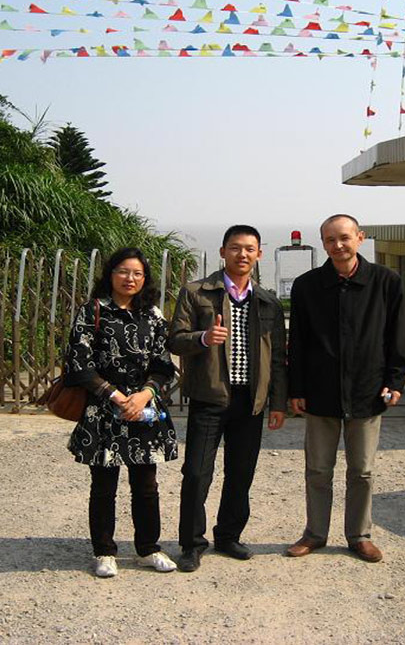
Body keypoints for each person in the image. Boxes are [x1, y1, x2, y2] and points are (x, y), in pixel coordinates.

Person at [285, 214, 405, 563]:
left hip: (367, 390)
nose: (338, 245)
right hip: (320, 391)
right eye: (330, 239)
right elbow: (298, 341)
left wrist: (395, 380)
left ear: (360, 237)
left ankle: (359, 535)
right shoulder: (307, 286)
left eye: (344, 237)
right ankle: (315, 533)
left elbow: (398, 335)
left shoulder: (386, 281)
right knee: (318, 469)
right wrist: (296, 388)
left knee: (362, 470)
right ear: (323, 243)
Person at [169, 225, 287, 573]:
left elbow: (278, 358)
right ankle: (192, 544)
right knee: (196, 474)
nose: (242, 254)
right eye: (235, 248)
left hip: (250, 401)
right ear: (223, 252)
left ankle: (228, 536)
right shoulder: (196, 293)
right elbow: (175, 340)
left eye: (250, 249)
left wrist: (278, 403)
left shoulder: (267, 301)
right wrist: (204, 338)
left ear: (259, 254)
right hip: (209, 398)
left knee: (241, 473)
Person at [64, 247, 179, 578]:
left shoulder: (152, 315)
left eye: (137, 273)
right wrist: (115, 396)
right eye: (123, 271)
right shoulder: (92, 311)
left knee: (147, 485)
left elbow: (163, 365)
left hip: (142, 410)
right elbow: (78, 364)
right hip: (103, 409)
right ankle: (104, 551)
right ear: (110, 274)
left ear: (145, 279)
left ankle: (148, 548)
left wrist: (144, 395)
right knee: (103, 486)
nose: (130, 278)